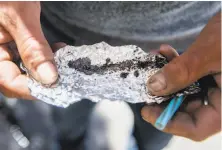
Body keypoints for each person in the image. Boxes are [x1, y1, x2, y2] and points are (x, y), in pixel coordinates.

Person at [0, 1, 221, 150]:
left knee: (158, 128)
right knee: (68, 120)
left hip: (196, 46)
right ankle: (73, 143)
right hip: (56, 30)